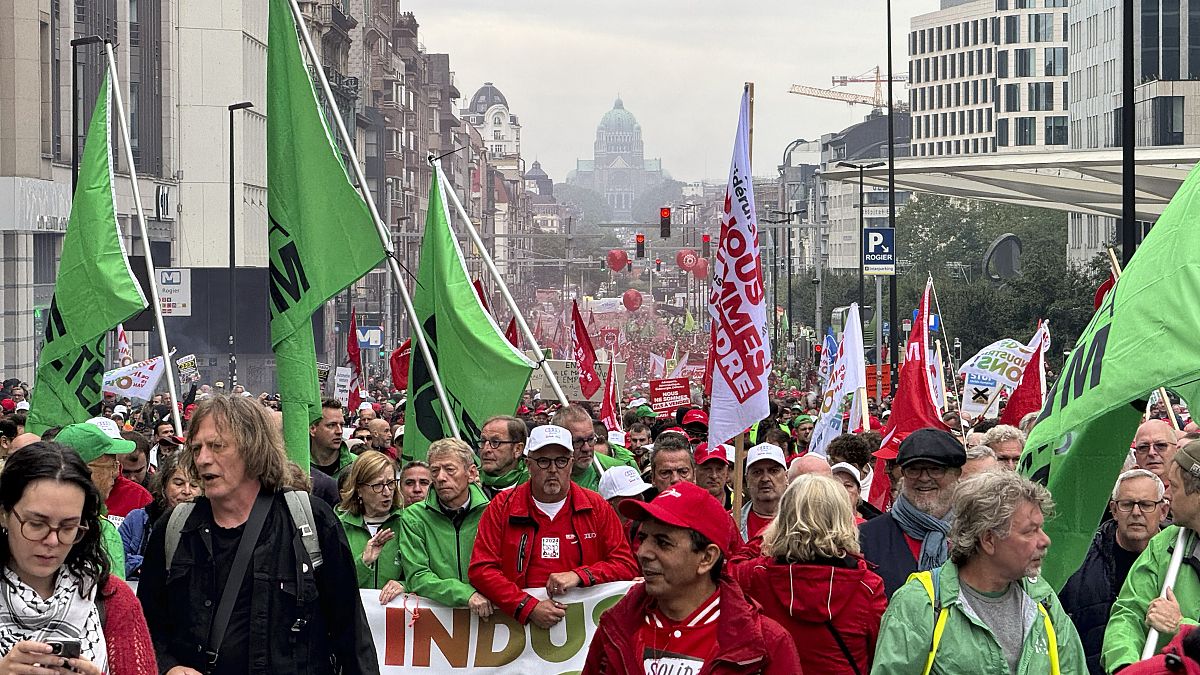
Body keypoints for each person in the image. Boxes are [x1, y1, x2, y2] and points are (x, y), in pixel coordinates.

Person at [136, 394, 378, 675]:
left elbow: (352, 638)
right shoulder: (174, 529)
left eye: (216, 446)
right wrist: (169, 667)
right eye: (197, 447)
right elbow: (145, 627)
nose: (202, 459)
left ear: (253, 448)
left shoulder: (310, 521)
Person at [873, 470, 1085, 674]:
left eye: (1041, 528)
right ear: (989, 540)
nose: (1045, 540)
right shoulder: (921, 603)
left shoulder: (1042, 599)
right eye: (1030, 531)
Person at [583, 481, 802, 674]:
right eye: (643, 537)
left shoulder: (765, 644)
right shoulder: (615, 627)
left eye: (662, 542)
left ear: (707, 558)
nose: (643, 552)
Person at [0, 442, 157, 675]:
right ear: (4, 514)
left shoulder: (113, 600)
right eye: (36, 524)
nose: (52, 541)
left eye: (68, 527)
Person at [469, 424, 638, 627]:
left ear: (571, 464)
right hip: (516, 631)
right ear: (528, 464)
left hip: (582, 632)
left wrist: (579, 575)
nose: (552, 470)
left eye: (561, 461)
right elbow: (481, 569)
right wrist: (527, 606)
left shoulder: (596, 506)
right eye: (543, 461)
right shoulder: (502, 506)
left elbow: (625, 565)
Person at [731, 475, 886, 675]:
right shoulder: (867, 586)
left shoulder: (756, 575)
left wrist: (765, 536)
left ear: (782, 520)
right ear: (844, 519)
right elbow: (879, 657)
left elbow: (732, 567)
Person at [1103, 440, 1200, 672]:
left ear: (1197, 494)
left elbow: (1175, 623)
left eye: (1174, 487)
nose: (1166, 496)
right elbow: (1128, 612)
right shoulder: (1166, 544)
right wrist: (1124, 667)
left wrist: (1181, 626)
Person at [1061, 469, 1168, 674]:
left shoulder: (1182, 557)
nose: (1136, 513)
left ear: (1163, 510)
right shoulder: (1080, 558)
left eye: (1146, 505)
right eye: (1127, 504)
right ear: (1114, 509)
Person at [860, 427, 965, 598]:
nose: (924, 477)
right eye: (914, 469)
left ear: (957, 474)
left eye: (935, 469)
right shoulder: (866, 538)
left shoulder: (978, 534)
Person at [397, 438, 492, 616]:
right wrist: (465, 594)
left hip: (488, 617)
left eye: (449, 469)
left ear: (471, 473)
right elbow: (417, 576)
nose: (441, 477)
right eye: (435, 470)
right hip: (437, 620)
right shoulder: (414, 516)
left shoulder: (492, 512)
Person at [54, 421, 132, 579]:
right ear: (86, 470)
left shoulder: (32, 519)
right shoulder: (103, 532)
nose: (115, 474)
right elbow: (114, 597)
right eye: (110, 465)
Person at [337, 450, 405, 601]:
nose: (387, 492)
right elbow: (333, 583)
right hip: (353, 618)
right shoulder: (340, 526)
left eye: (391, 483)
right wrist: (363, 562)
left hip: (397, 620)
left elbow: (422, 574)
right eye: (378, 485)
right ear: (359, 489)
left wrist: (404, 584)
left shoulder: (408, 523)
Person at [118, 452, 199, 578]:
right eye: (178, 483)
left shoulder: (209, 524)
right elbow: (117, 562)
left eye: (194, 485)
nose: (187, 491)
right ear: (164, 485)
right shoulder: (136, 520)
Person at [553, 405, 626, 491]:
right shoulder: (541, 476)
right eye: (578, 441)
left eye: (591, 439)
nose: (586, 448)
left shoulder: (617, 470)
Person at [739, 443, 788, 542]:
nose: (765, 479)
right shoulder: (731, 522)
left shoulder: (803, 521)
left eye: (773, 471)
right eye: (757, 472)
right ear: (747, 479)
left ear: (786, 476)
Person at [477, 415, 528, 497]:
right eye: (483, 441)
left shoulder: (534, 486)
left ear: (518, 449)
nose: (486, 449)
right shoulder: (469, 482)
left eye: (496, 442)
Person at [309, 398, 357, 482]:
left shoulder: (357, 465)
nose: (339, 431)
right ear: (313, 429)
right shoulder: (299, 465)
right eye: (331, 425)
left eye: (341, 425)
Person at [692, 442, 733, 508]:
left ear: (726, 471)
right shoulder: (685, 502)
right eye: (707, 469)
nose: (714, 476)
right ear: (694, 470)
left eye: (719, 469)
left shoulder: (740, 503)